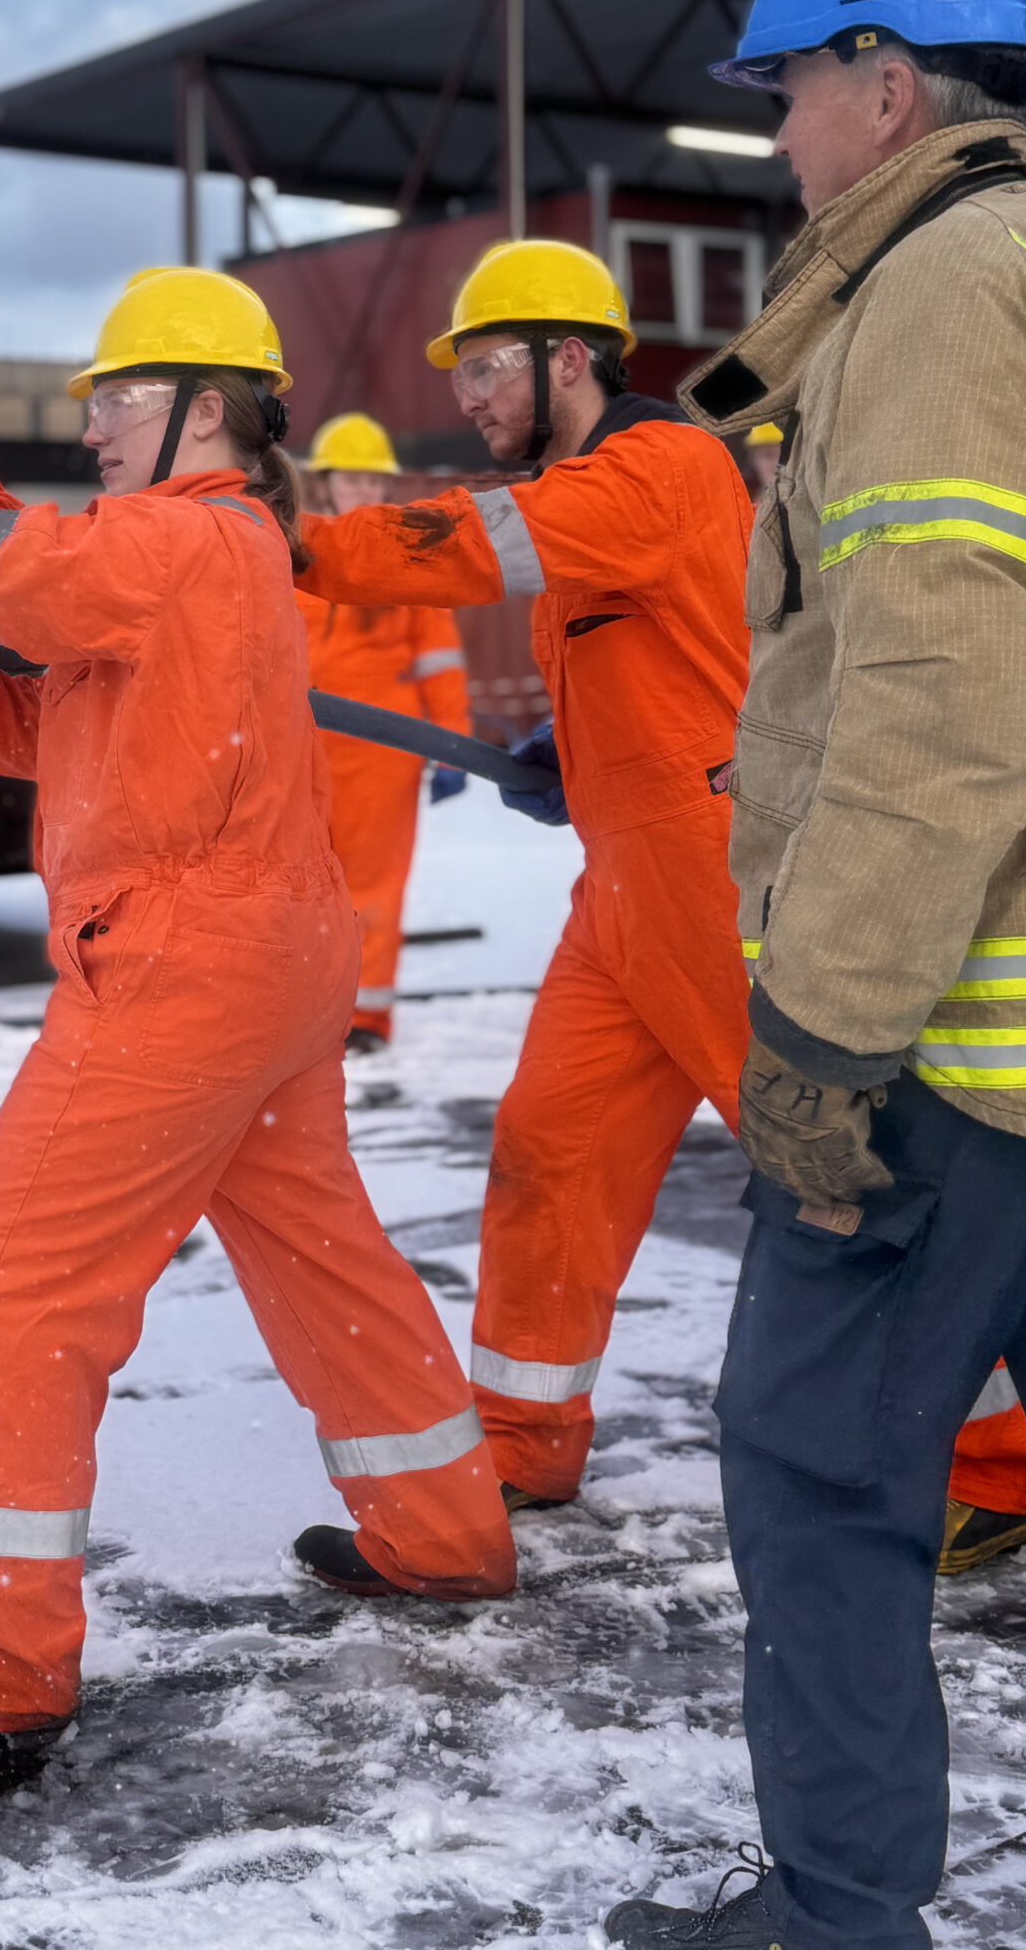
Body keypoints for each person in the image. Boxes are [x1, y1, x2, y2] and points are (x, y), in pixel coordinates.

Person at [602, 0, 1026, 1950]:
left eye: (793, 92)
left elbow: (942, 695)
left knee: (821, 1459)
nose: (779, 138)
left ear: (888, 84)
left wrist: (826, 1024)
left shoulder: (939, 291)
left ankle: (841, 1916)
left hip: (970, 1013)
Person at [0, 267, 513, 1743]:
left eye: (119, 398)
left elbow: (5, 577)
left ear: (210, 408)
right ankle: (443, 1532)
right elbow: (53, 716)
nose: (95, 428)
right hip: (266, 953)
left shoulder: (181, 537)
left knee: (15, 1266)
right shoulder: (202, 555)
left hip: (182, 958)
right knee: (318, 1249)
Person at [294, 241, 755, 1513]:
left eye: (490, 365)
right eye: (464, 374)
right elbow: (651, 655)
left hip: (723, 878)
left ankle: (1001, 1460)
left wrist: (298, 540)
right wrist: (572, 746)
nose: (471, 396)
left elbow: (473, 543)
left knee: (834, 1175)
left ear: (570, 356)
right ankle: (520, 1441)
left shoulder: (658, 466)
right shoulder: (593, 486)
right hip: (624, 890)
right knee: (550, 1153)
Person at [298, 411, 473, 1052]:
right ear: (325, 483)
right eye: (353, 480)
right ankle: (307, 1011)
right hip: (301, 749)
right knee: (299, 885)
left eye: (375, 482)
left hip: (383, 752)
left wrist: (451, 743)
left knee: (372, 887)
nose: (364, 492)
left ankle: (365, 1018)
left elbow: (439, 659)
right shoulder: (292, 553)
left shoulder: (407, 558)